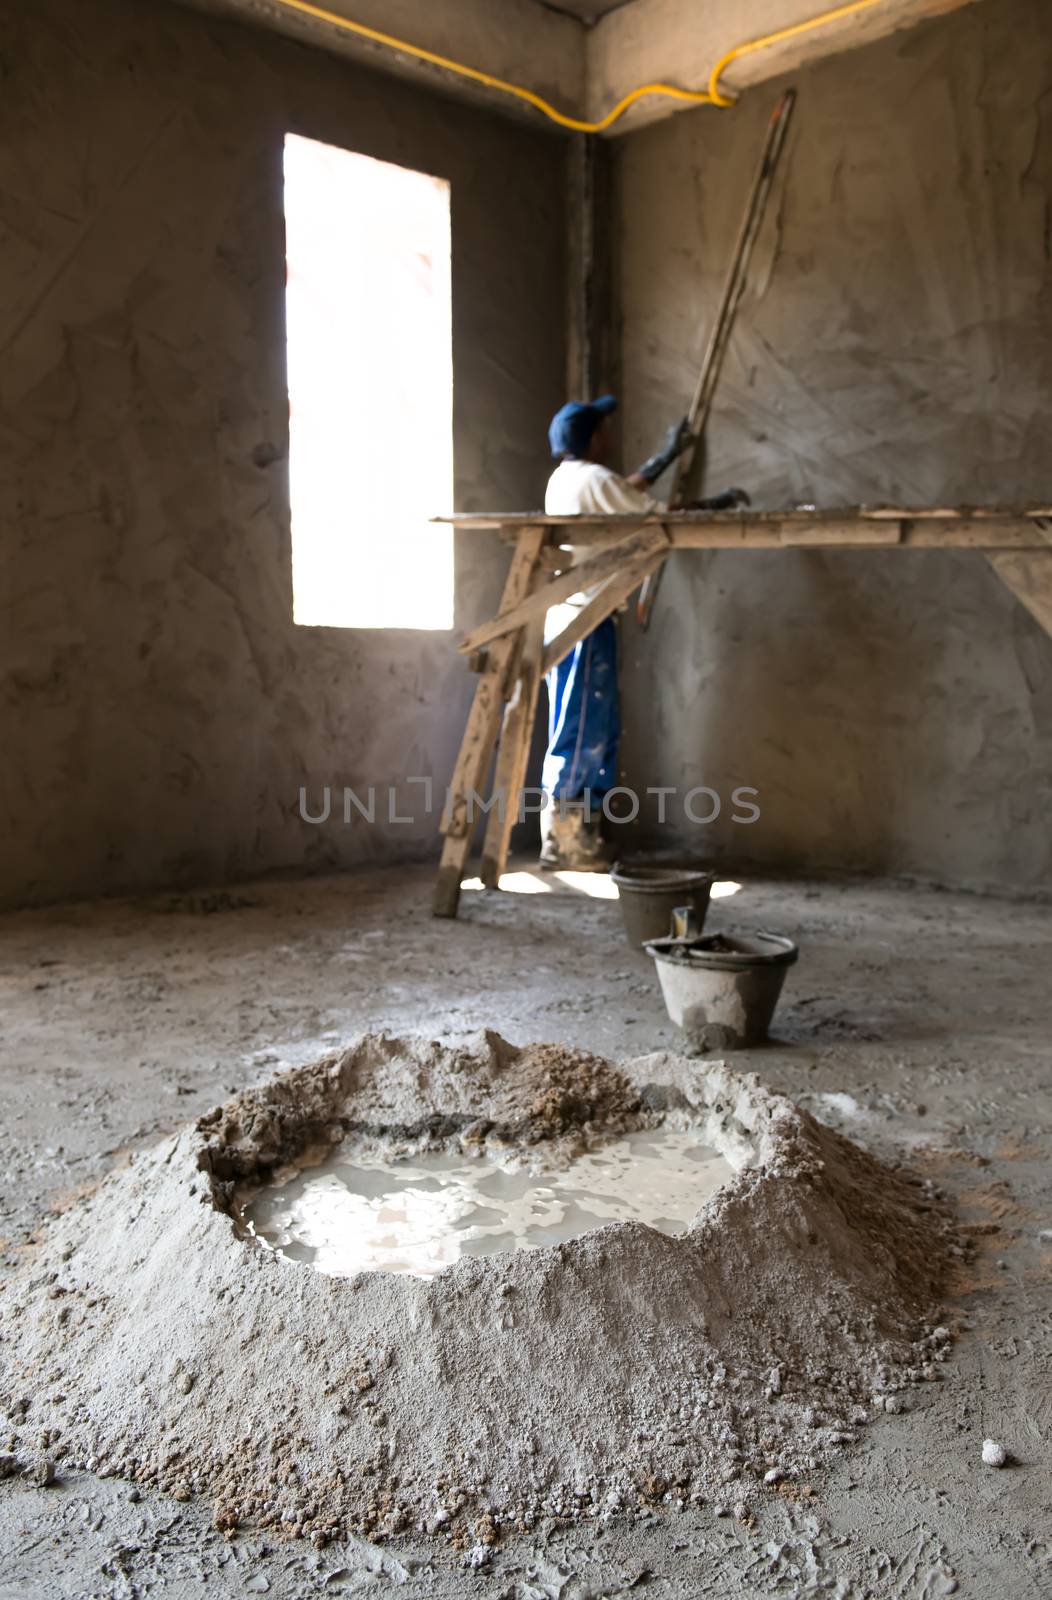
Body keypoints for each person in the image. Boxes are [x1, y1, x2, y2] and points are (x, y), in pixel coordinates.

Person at [539, 393, 747, 871]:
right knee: (585, 727)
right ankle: (570, 843)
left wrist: (663, 458)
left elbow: (622, 495)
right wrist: (711, 506)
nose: (609, 436)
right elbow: (657, 516)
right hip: (586, 618)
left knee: (585, 724)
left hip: (573, 614)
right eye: (603, 429)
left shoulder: (569, 479)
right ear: (593, 437)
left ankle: (574, 837)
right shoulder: (594, 478)